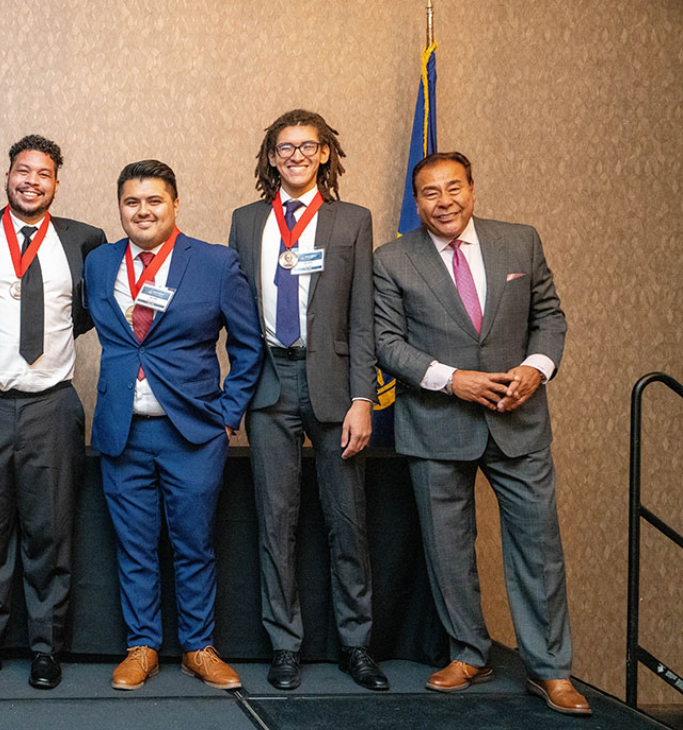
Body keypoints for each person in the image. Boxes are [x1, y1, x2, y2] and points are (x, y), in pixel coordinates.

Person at [374, 152, 589, 716]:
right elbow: (387, 342)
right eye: (429, 193)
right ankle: (469, 652)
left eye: (453, 188)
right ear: (416, 201)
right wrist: (453, 381)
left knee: (539, 550)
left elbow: (550, 316)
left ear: (472, 189)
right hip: (436, 423)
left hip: (519, 421)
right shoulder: (392, 259)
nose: (443, 201)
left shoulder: (520, 241)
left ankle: (550, 671)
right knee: (448, 551)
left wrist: (536, 367)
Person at [84, 160, 262, 692]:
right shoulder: (99, 263)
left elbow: (249, 346)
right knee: (134, 544)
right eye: (132, 202)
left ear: (175, 203)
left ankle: (198, 647)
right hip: (123, 432)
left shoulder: (214, 262)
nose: (143, 211)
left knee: (194, 543)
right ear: (120, 208)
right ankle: (142, 647)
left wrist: (227, 415)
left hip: (192, 434)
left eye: (154, 201)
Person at [227, 109, 387, 691]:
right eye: (284, 147)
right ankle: (285, 645)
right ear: (271, 157)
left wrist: (363, 399)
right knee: (277, 521)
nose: (295, 154)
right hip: (269, 384)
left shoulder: (352, 220)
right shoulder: (246, 222)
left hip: (334, 388)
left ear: (324, 154)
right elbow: (236, 315)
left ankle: (356, 643)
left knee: (348, 521)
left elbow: (364, 317)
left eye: (307, 146)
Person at [0, 135, 106, 690]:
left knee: (50, 533)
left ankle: (46, 647)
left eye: (44, 174)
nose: (32, 181)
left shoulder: (85, 240)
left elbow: (89, 314)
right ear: (7, 175)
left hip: (51, 406)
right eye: (23, 171)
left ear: (56, 183)